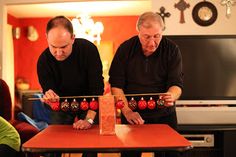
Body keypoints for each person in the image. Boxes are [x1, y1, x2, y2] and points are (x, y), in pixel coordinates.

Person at [109, 11, 183, 157]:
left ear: (162, 32)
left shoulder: (172, 50)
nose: (152, 42)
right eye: (146, 37)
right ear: (139, 32)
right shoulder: (125, 49)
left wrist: (171, 96)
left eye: (157, 36)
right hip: (131, 112)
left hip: (164, 115)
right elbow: (116, 85)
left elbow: (177, 84)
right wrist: (127, 111)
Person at [37, 16, 104, 157]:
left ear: (73, 38)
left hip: (90, 101)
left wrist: (89, 119)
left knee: (91, 144)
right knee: (55, 145)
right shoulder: (43, 60)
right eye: (53, 47)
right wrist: (50, 97)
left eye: (63, 47)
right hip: (62, 105)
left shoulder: (89, 50)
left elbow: (97, 88)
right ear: (46, 38)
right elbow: (49, 90)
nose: (58, 53)